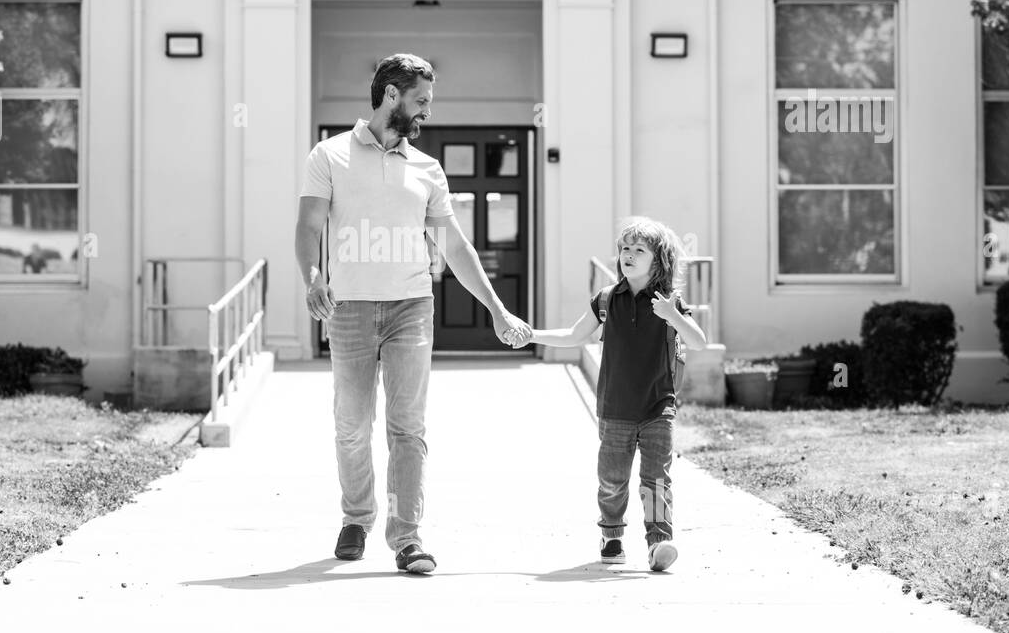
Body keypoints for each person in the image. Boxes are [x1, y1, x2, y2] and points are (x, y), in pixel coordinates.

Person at [295, 53, 531, 575]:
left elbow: (456, 246)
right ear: (391, 96)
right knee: (352, 425)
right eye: (421, 100)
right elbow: (309, 226)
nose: (427, 111)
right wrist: (314, 277)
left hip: (411, 308)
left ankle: (406, 536)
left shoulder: (427, 169)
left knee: (408, 427)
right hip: (350, 309)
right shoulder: (329, 155)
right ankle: (356, 517)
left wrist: (496, 308)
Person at [527, 217, 707, 571]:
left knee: (656, 480)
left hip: (658, 408)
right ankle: (611, 535)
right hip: (614, 409)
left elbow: (698, 341)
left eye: (639, 249)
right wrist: (531, 334)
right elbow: (574, 336)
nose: (629, 254)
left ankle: (659, 542)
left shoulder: (669, 301)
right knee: (612, 479)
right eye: (625, 248)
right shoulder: (607, 299)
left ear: (658, 261)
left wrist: (673, 316)